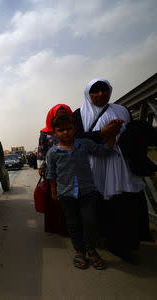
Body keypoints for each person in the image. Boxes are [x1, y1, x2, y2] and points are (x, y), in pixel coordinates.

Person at [73, 78, 152, 262]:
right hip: (95, 166)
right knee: (98, 205)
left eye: (105, 90)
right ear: (88, 94)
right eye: (95, 90)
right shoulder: (80, 114)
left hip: (120, 165)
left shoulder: (121, 110)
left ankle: (122, 245)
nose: (101, 94)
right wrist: (103, 133)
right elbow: (77, 141)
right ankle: (98, 240)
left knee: (124, 203)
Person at [46, 114, 115, 269]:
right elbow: (51, 174)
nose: (65, 133)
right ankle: (79, 251)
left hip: (87, 191)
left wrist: (112, 135)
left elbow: (103, 150)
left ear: (74, 129)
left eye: (68, 129)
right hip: (66, 193)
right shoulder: (53, 153)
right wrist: (53, 191)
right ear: (55, 133)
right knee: (72, 223)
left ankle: (91, 249)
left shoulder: (84, 144)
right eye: (61, 130)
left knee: (90, 221)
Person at [37, 104, 72, 236]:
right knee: (55, 199)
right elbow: (41, 149)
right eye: (58, 114)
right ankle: (58, 227)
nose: (61, 116)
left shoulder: (72, 129)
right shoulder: (45, 132)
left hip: (71, 168)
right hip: (53, 170)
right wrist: (41, 166)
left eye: (64, 114)